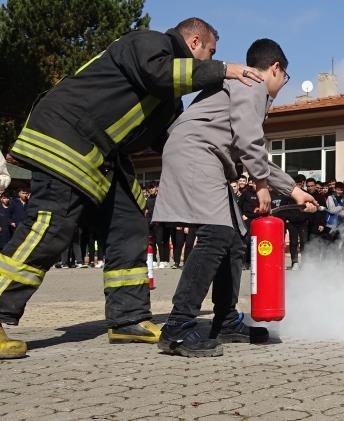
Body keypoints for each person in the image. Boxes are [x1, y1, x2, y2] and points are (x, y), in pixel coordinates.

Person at [0, 17, 265, 359]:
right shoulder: (151, 44)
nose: (214, 61)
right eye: (212, 53)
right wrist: (224, 70)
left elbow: (173, 140)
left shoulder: (169, 101)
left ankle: (128, 319)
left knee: (129, 226)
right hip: (65, 140)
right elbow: (160, 74)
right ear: (195, 42)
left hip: (102, 156)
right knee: (50, 228)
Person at [153, 38, 317, 357]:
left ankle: (226, 320)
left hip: (206, 155)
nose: (283, 86)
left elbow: (253, 150)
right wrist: (261, 184)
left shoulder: (245, 85)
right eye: (286, 79)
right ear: (276, 68)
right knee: (217, 235)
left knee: (233, 240)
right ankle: (178, 327)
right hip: (197, 152)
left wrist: (295, 191)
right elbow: (248, 140)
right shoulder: (252, 83)